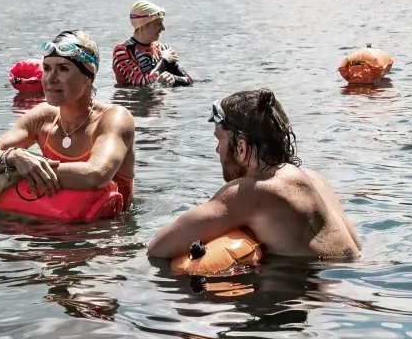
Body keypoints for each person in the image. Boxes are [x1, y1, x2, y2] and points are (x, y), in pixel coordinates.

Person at [147, 89, 361, 262]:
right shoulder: (315, 179)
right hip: (343, 292)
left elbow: (159, 247)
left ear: (241, 147)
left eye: (219, 140)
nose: (217, 151)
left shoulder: (251, 193)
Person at [0, 30, 136, 206]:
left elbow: (96, 175)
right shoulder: (43, 116)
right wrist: (14, 157)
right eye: (47, 68)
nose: (51, 78)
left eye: (63, 69)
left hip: (109, 228)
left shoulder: (114, 118)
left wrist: (20, 172)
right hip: (54, 222)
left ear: (88, 76)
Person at [112, 1, 193, 88]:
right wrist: (164, 61)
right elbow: (141, 82)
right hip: (132, 100)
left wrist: (174, 79)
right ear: (143, 26)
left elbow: (189, 80)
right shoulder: (123, 51)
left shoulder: (163, 49)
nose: (163, 28)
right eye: (158, 24)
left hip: (159, 100)